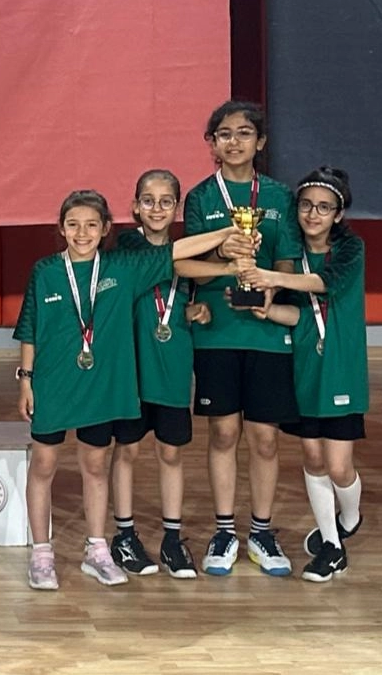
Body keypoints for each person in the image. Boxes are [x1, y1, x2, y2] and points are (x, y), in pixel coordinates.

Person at [15, 190, 241, 590]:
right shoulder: (45, 270)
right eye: (73, 224)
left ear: (105, 229)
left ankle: (97, 549)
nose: (81, 233)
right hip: (53, 382)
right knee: (44, 465)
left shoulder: (123, 266)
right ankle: (42, 553)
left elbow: (177, 252)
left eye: (91, 225)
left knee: (95, 465)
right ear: (61, 229)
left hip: (101, 386)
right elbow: (30, 328)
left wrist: (226, 234)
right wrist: (25, 380)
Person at [182, 101, 301, 577]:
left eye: (244, 133)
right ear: (212, 143)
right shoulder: (200, 197)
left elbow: (288, 259)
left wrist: (272, 286)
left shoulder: (278, 195)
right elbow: (190, 264)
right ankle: (224, 530)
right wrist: (222, 252)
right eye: (225, 134)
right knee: (224, 432)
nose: (234, 142)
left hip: (266, 329)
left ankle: (263, 532)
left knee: (265, 437)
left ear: (260, 142)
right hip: (217, 330)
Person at [238, 166, 367, 583]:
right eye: (307, 205)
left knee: (339, 466)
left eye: (324, 207)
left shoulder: (350, 250)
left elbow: (325, 284)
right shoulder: (292, 255)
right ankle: (332, 547)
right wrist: (267, 309)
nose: (313, 214)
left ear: (338, 214)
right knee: (312, 457)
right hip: (306, 368)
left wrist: (272, 277)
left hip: (342, 368)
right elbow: (300, 316)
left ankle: (350, 517)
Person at [107, 170, 213, 579]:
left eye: (166, 201)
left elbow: (191, 296)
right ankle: (124, 535)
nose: (156, 209)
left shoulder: (187, 255)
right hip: (132, 371)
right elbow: (173, 263)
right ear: (135, 206)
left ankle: (172, 538)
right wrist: (220, 259)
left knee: (171, 453)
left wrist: (197, 311)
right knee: (127, 450)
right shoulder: (127, 246)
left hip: (172, 368)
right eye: (148, 201)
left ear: (176, 208)